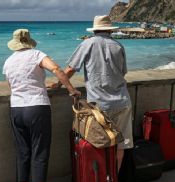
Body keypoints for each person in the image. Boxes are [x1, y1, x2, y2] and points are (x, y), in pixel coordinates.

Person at [3, 29, 81, 182]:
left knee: (22, 151)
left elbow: (11, 86)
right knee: (40, 149)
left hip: (16, 108)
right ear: (29, 41)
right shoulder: (36, 54)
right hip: (37, 107)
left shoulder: (8, 62)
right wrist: (71, 90)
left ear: (15, 43)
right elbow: (56, 69)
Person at [54, 15, 133, 171]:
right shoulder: (118, 45)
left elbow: (70, 69)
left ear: (95, 29)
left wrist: (58, 83)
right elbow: (123, 73)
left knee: (98, 144)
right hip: (122, 101)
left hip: (99, 106)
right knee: (120, 145)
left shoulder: (87, 44)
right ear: (110, 29)